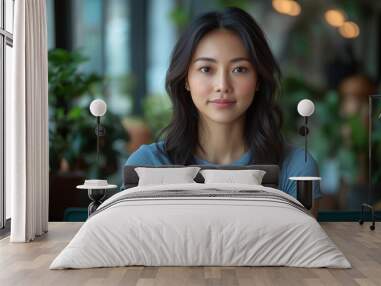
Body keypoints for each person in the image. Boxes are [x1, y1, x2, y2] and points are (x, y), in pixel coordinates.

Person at [125, 7, 321, 217]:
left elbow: (299, 246)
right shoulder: (146, 165)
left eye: (239, 69)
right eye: (206, 69)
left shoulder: (296, 169)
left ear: (258, 80)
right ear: (186, 80)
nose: (222, 85)